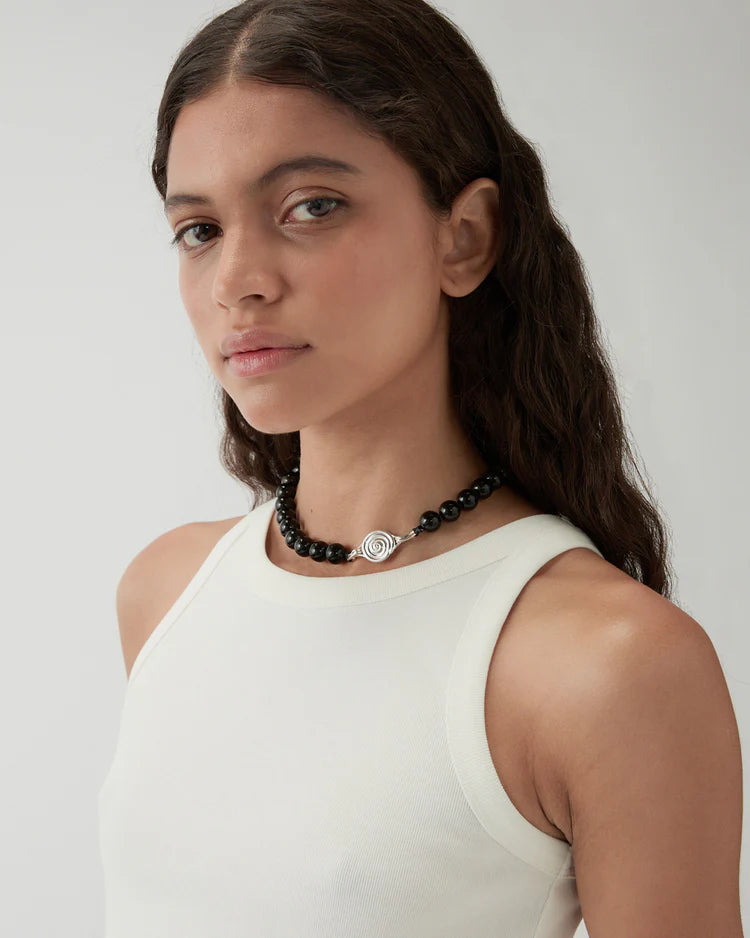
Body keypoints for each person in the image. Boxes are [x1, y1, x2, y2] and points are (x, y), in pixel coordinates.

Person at [97, 1, 744, 936]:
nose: (238, 280)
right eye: (199, 229)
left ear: (464, 236)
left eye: (311, 207)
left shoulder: (603, 664)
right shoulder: (165, 593)